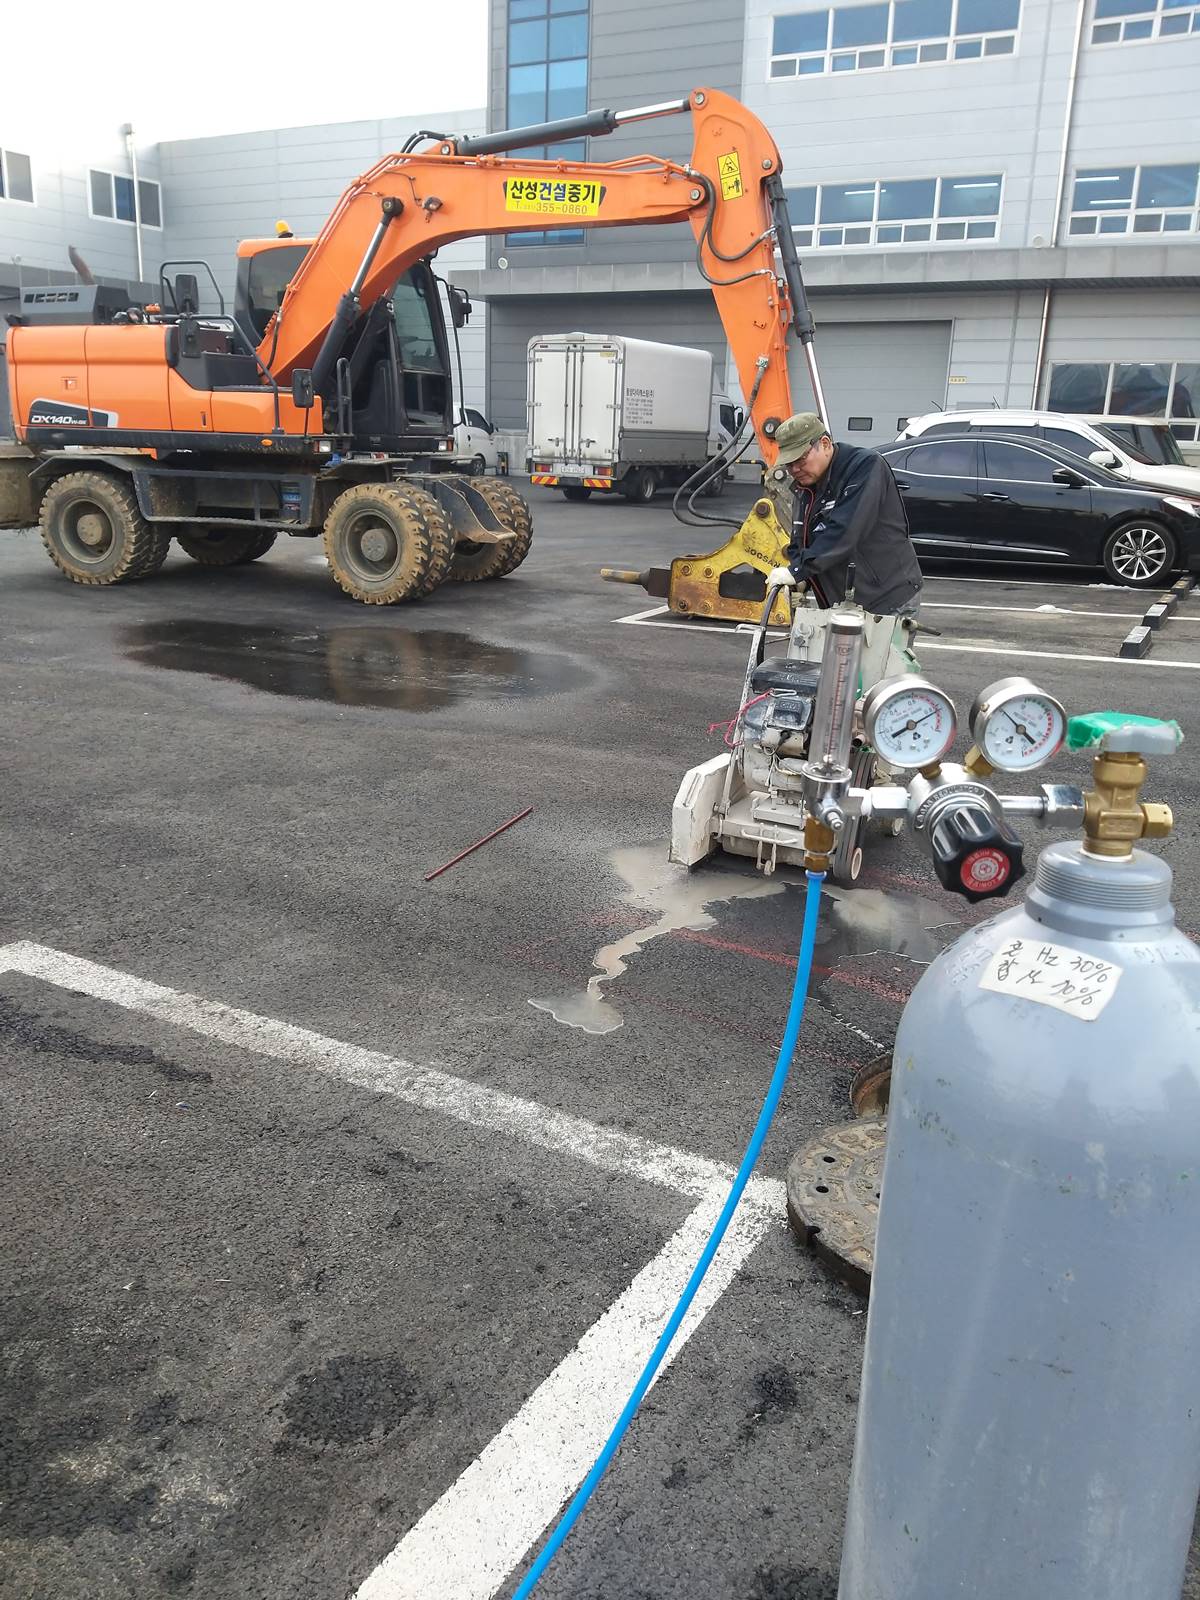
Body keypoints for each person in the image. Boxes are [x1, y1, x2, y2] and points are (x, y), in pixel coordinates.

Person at [767, 412, 923, 618]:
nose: (794, 469)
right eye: (789, 463)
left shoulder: (864, 467)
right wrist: (802, 578)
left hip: (888, 599)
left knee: (880, 643)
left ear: (825, 444)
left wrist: (798, 571)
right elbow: (800, 540)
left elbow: (847, 530)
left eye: (801, 459)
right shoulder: (805, 488)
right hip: (842, 605)